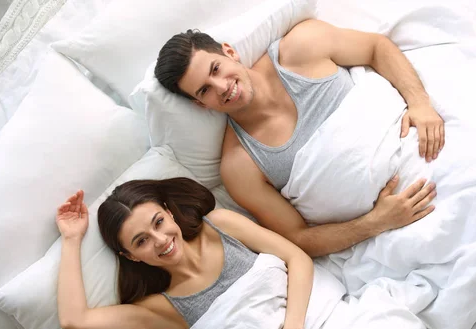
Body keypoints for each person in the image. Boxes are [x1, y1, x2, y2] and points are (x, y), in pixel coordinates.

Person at [154, 19, 441, 258]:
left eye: (215, 69)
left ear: (229, 52)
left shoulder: (300, 47)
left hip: (426, 151)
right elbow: (298, 238)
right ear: (201, 105)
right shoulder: (239, 166)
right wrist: (377, 222)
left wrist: (420, 103)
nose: (222, 87)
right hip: (384, 226)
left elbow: (377, 48)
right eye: (204, 90)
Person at [55, 178, 314, 329]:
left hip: (312, 328)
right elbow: (74, 320)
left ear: (169, 213)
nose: (161, 240)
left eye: (158, 222)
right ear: (131, 256)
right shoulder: (162, 308)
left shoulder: (220, 226)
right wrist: (71, 239)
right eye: (141, 241)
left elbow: (297, 258)